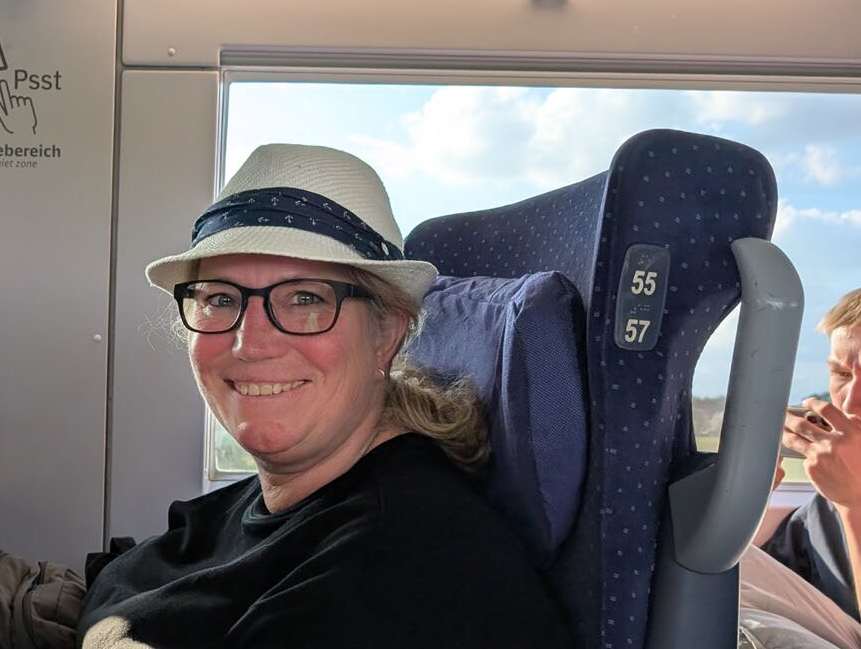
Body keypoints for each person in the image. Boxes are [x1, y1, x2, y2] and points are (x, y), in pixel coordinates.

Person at [78, 144, 571, 648]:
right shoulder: (274, 496)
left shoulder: (401, 569)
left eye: (305, 299)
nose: (250, 344)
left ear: (386, 334)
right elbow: (137, 574)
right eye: (221, 298)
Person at [763, 280, 861, 649]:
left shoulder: (847, 500)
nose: (851, 403)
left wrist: (860, 507)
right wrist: (743, 503)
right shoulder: (823, 513)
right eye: (842, 375)